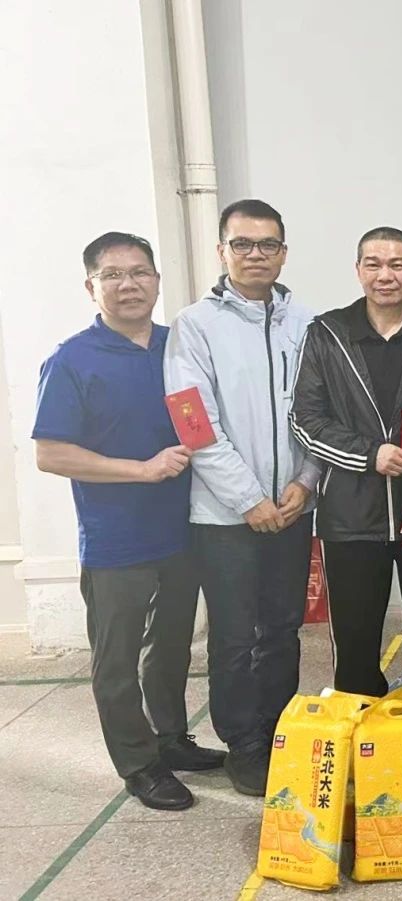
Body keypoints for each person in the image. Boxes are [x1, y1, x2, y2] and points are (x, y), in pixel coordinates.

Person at [34, 232, 223, 811]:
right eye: (112, 275)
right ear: (90, 287)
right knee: (115, 661)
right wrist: (140, 471)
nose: (128, 285)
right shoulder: (72, 360)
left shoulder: (177, 347)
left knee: (171, 646)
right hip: (116, 539)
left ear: (157, 281)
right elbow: (50, 453)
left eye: (140, 272)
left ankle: (171, 738)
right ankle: (139, 766)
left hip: (184, 529)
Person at [164, 199, 319, 796]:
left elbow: (322, 415)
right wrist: (249, 499)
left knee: (282, 628)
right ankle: (243, 743)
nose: (256, 254)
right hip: (223, 515)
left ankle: (279, 731)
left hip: (293, 507)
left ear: (284, 253)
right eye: (243, 244)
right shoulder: (194, 325)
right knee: (233, 635)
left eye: (267, 244)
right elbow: (194, 424)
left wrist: (305, 483)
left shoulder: (307, 323)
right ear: (222, 251)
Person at [290, 227, 402, 697]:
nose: (384, 275)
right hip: (351, 518)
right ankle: (361, 727)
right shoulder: (327, 334)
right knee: (355, 646)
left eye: (396, 264)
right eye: (373, 264)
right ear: (358, 271)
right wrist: (371, 454)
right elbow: (306, 419)